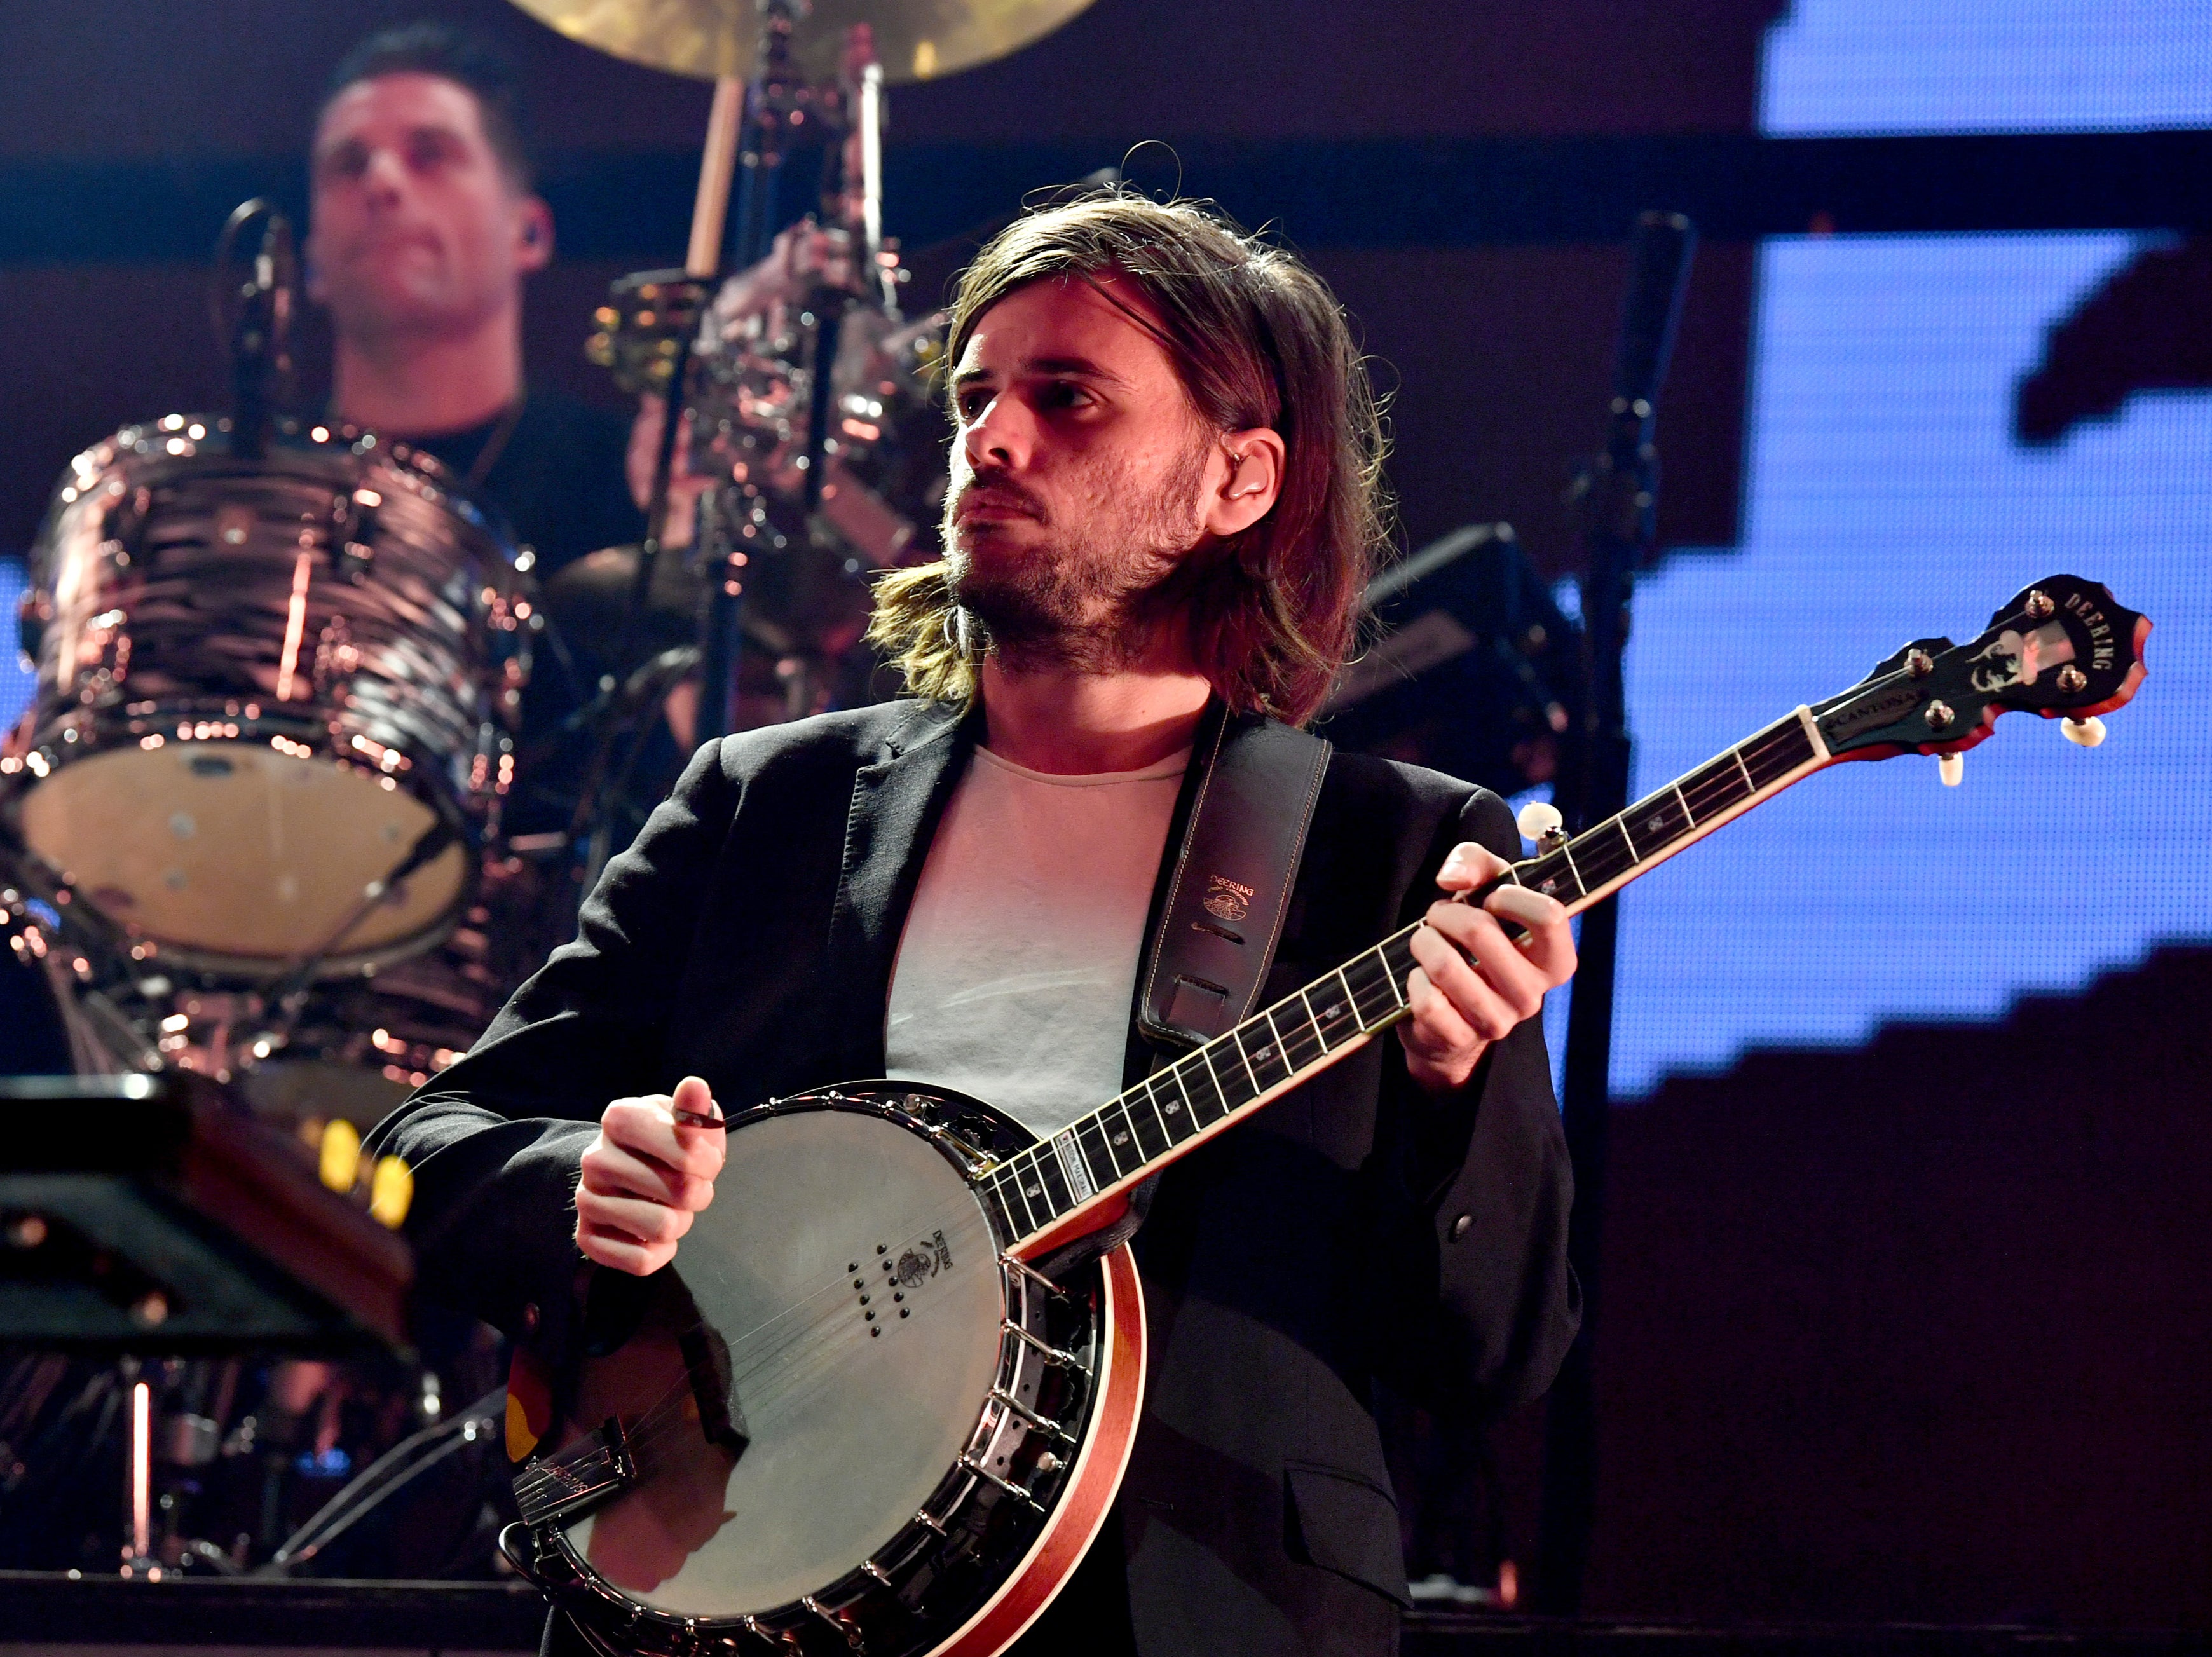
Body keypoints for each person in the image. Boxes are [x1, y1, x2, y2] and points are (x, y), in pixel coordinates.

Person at [367, 191, 1581, 1657]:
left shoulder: (1393, 851)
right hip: (744, 1582)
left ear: (1238, 483)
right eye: (975, 399)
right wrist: (584, 1178)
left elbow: (1495, 1352)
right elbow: (418, 1156)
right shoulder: (770, 803)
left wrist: (1459, 1087)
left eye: (1066, 398)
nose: (992, 441)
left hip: (1194, 1608)